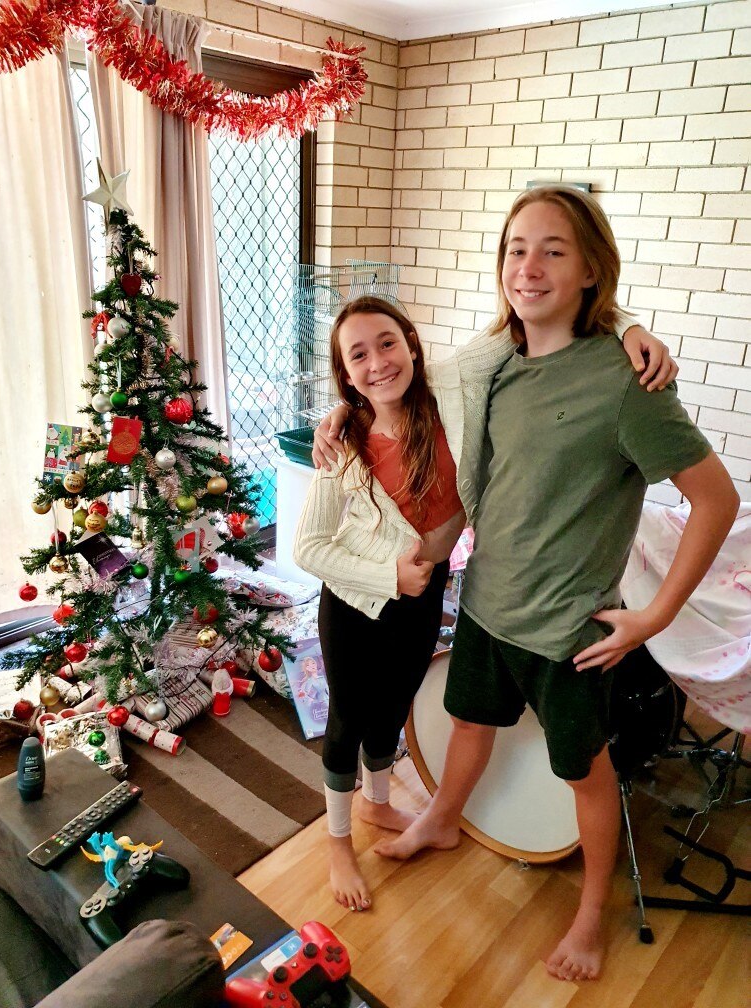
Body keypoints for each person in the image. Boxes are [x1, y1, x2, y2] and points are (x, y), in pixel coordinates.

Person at [312, 187, 738, 980]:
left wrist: (654, 616)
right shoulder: (497, 363)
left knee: (586, 774)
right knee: (469, 722)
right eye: (516, 249)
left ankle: (591, 913)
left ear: (591, 268)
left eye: (553, 250)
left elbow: (717, 500)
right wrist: (340, 413)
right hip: (483, 604)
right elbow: (399, 383)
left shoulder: (628, 383)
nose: (529, 266)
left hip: (569, 633)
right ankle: (441, 821)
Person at [293, 296, 466, 913]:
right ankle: (338, 840)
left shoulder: (455, 412)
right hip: (355, 603)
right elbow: (308, 547)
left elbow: (509, 336)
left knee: (394, 706)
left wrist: (629, 329)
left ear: (412, 344)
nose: (378, 362)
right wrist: (388, 575)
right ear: (346, 374)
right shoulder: (344, 446)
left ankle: (376, 800)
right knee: (349, 718)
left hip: (423, 597)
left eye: (387, 343)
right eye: (358, 355)